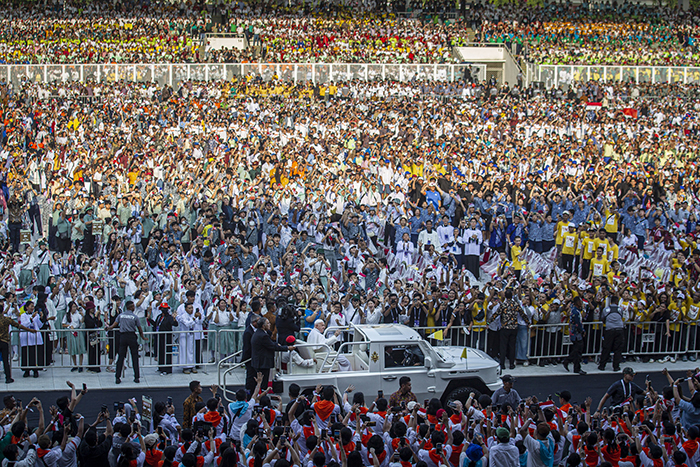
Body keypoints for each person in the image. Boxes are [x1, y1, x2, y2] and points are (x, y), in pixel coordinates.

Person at [105, 300, 146, 384]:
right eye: (133, 306)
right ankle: (136, 377)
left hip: (123, 336)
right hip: (131, 336)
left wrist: (108, 328)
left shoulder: (121, 316)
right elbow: (139, 328)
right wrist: (142, 337)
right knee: (134, 357)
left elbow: (114, 325)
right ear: (131, 307)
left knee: (120, 357)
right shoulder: (135, 317)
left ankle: (117, 377)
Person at [250, 317, 295, 390]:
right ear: (263, 326)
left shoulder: (259, 333)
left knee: (261, 383)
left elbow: (269, 344)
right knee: (263, 384)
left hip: (259, 361)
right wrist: (287, 348)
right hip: (262, 363)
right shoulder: (263, 335)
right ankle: (262, 398)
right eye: (268, 323)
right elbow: (272, 346)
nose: (270, 324)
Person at [0, 297, 38, 383]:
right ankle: (8, 378)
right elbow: (19, 326)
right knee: (6, 361)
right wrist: (30, 330)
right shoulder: (6, 320)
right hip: (4, 341)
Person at [599, 295, 625, 372]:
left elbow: (603, 318)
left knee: (606, 348)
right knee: (618, 349)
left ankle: (602, 365)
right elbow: (621, 317)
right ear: (617, 302)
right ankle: (616, 366)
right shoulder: (620, 309)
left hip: (609, 330)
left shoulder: (606, 309)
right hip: (619, 329)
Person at [563, 296, 587, 375]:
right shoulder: (575, 312)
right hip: (576, 334)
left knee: (576, 350)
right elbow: (577, 324)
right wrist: (582, 330)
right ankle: (574, 365)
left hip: (575, 333)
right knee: (577, 351)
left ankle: (568, 361)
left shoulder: (576, 311)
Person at [154, 303, 177, 375]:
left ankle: (167, 369)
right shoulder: (159, 316)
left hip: (167, 337)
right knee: (161, 352)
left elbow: (175, 324)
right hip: (160, 336)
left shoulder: (169, 317)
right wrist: (148, 319)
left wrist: (174, 319)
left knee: (167, 352)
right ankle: (160, 367)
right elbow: (156, 324)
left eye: (166, 308)